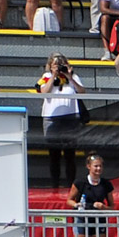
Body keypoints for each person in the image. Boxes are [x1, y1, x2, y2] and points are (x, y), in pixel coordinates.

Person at [36, 53, 82, 185]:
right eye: (55, 64)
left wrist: (69, 76)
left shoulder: (73, 77)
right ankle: (54, 184)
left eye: (61, 64)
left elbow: (82, 91)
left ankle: (70, 185)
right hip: (52, 119)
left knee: (70, 155)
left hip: (70, 118)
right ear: (50, 66)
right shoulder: (46, 77)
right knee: (54, 155)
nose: (58, 66)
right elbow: (44, 92)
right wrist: (54, 76)